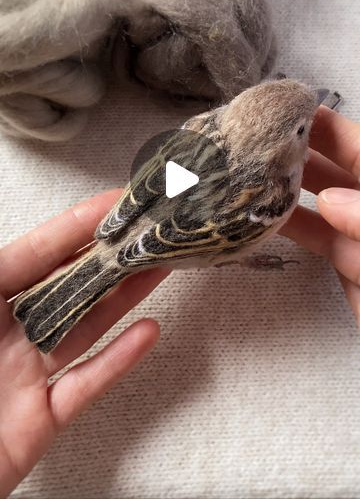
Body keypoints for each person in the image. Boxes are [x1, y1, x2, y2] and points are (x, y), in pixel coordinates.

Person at [0, 105, 359, 497]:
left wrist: (124, 223)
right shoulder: (274, 192)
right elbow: (206, 226)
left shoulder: (201, 126)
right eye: (303, 131)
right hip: (174, 235)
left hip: (141, 210)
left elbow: (163, 171)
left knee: (113, 260)